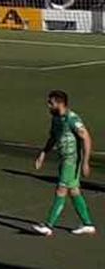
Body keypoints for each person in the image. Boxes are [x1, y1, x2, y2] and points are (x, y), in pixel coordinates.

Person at [32, 89, 95, 236]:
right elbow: (53, 137)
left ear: (60, 103)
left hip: (71, 160)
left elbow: (86, 138)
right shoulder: (56, 119)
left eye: (51, 103)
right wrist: (43, 154)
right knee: (74, 191)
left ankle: (49, 226)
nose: (48, 105)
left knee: (61, 190)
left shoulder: (72, 119)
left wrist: (86, 162)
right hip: (64, 159)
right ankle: (88, 224)